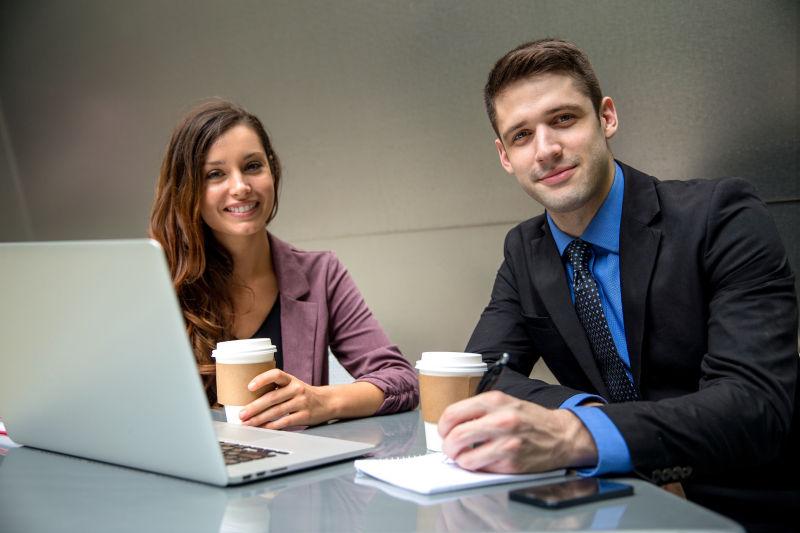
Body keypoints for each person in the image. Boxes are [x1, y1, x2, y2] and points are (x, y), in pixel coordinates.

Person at [438, 38, 798, 526]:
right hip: (616, 503)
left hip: (745, 502)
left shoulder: (722, 217)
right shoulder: (524, 250)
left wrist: (575, 434)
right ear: (505, 156)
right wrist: (590, 417)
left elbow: (755, 406)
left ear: (606, 118)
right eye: (521, 136)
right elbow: (481, 375)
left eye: (563, 119)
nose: (546, 149)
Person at [149, 99, 418, 429]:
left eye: (252, 166)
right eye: (215, 174)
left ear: (272, 171)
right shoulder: (158, 282)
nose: (241, 187)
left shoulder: (321, 275)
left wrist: (322, 401)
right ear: (187, 190)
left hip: (293, 473)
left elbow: (401, 380)